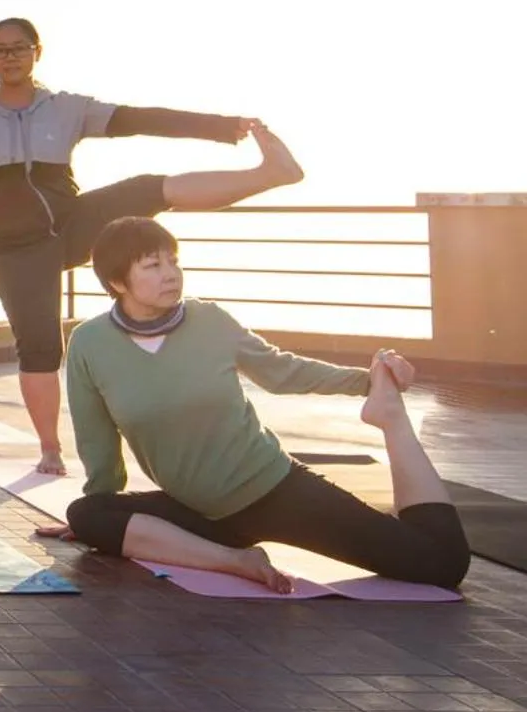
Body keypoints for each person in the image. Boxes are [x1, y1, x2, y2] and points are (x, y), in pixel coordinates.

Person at [0, 16, 305, 474]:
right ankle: (50, 449)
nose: (10, 56)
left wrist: (222, 127)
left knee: (149, 187)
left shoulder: (67, 107)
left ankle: (269, 174)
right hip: (12, 244)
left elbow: (141, 120)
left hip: (68, 221)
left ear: (37, 52)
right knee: (39, 343)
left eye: (19, 47)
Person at [48, 216, 470, 593]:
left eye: (173, 261)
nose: (172, 274)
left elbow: (281, 370)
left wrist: (368, 382)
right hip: (196, 513)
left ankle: (393, 424)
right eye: (153, 265)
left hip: (274, 491)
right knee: (87, 512)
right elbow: (96, 438)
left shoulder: (209, 321)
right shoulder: (90, 343)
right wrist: (101, 520)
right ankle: (238, 561)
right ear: (117, 282)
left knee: (440, 564)